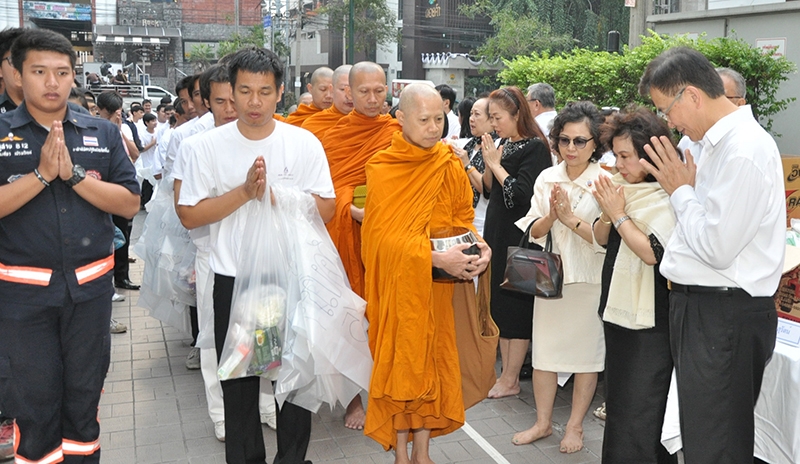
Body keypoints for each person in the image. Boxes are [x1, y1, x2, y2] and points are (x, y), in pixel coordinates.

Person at [177, 47, 335, 464]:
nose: (253, 102)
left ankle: (293, 458)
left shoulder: (303, 143)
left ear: (280, 92)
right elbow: (190, 215)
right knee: (241, 387)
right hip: (234, 281)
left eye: (265, 92)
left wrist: (277, 196)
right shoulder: (205, 147)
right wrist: (245, 193)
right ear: (230, 90)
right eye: (244, 91)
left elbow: (328, 208)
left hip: (291, 279)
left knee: (295, 381)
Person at [0, 28, 140, 463]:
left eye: (62, 72)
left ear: (74, 76)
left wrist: (74, 177)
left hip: (89, 295)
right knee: (34, 405)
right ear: (19, 75)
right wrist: (39, 176)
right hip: (23, 299)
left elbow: (130, 202)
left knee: (83, 404)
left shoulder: (101, 132)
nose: (51, 82)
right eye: (39, 71)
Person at [638, 46, 782, 464]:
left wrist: (681, 191)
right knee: (702, 435)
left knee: (717, 443)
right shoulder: (704, 144)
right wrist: (684, 190)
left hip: (725, 312)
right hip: (700, 308)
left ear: (692, 96)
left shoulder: (745, 149)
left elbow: (718, 247)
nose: (670, 122)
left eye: (668, 110)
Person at [361, 82, 491, 464]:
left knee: (434, 364)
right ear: (400, 118)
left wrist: (478, 246)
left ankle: (423, 451)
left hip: (438, 289)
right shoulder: (383, 168)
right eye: (424, 120)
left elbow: (462, 219)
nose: (434, 127)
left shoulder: (449, 163)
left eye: (440, 118)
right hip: (402, 287)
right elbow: (379, 243)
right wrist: (434, 259)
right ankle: (400, 452)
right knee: (403, 367)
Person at [513, 101, 609, 454]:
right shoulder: (546, 177)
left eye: (580, 141)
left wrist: (570, 219)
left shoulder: (605, 181)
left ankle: (574, 427)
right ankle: (542, 422)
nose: (571, 148)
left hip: (588, 279)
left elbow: (604, 238)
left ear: (595, 143)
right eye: (564, 140)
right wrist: (553, 216)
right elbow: (533, 230)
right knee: (546, 355)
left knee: (587, 357)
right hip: (548, 279)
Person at [591, 106, 678, 464]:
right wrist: (609, 212)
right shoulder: (622, 188)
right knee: (621, 410)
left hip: (651, 324)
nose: (620, 164)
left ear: (650, 154)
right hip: (617, 315)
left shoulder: (669, 195)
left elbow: (651, 253)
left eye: (626, 156)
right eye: (616, 155)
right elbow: (599, 237)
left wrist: (619, 213)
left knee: (642, 414)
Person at [318, 61, 401, 430]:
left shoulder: (399, 131)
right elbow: (323, 191)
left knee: (386, 321)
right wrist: (349, 208)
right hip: (347, 238)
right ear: (349, 92)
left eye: (379, 91)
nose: (371, 98)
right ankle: (353, 401)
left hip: (390, 241)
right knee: (349, 318)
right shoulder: (334, 137)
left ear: (388, 90)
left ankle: (388, 392)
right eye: (363, 91)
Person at [480, 87, 551, 399]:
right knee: (500, 308)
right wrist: (487, 163)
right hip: (497, 233)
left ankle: (511, 378)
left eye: (498, 117)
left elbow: (520, 195)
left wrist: (496, 164)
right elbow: (488, 190)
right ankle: (505, 374)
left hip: (522, 237)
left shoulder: (535, 148)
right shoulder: (504, 144)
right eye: (491, 118)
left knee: (517, 310)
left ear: (517, 115)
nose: (494, 124)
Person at [96, 91, 141, 293]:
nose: (116, 115)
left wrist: (119, 130)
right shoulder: (95, 130)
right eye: (112, 112)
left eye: (119, 111)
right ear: (100, 111)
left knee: (123, 235)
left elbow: (135, 153)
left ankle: (122, 276)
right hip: (104, 192)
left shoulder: (123, 129)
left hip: (122, 191)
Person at [676, 66, 748, 165]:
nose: (711, 103)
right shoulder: (688, 141)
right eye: (707, 97)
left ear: (740, 103)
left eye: (720, 98)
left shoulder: (743, 146)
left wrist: (687, 181)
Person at [448, 96, 496, 236]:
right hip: (460, 218)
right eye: (470, 114)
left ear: (491, 119)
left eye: (477, 114)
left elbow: (487, 189)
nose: (471, 119)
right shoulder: (466, 144)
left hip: (483, 221)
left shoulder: (497, 146)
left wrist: (467, 164)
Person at [301, 64, 353, 140]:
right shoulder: (312, 125)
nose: (349, 96)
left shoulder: (371, 124)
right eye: (342, 89)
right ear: (332, 89)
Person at [138, 112, 159, 206]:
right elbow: (141, 149)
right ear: (146, 123)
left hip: (156, 163)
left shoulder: (159, 131)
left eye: (155, 120)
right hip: (147, 163)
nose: (155, 122)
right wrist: (152, 143)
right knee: (147, 185)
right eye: (152, 121)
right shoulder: (142, 134)